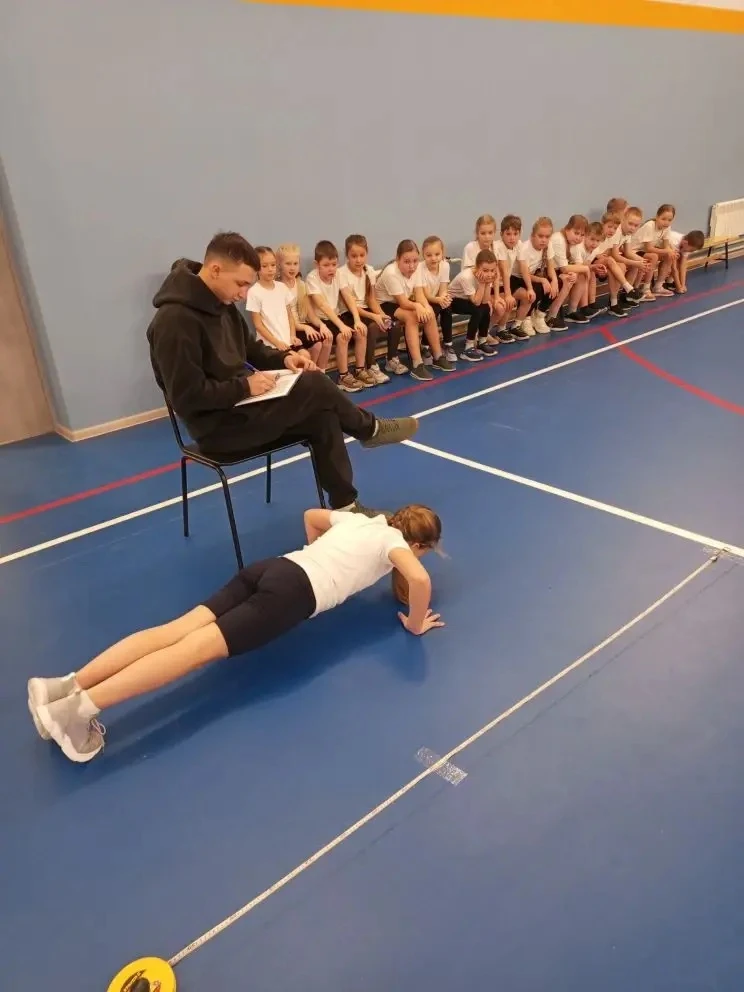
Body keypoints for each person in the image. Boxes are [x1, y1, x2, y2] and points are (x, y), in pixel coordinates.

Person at [27, 505, 445, 763]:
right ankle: (76, 711)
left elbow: (311, 516)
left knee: (175, 631)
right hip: (291, 595)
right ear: (419, 545)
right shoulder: (394, 545)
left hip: (273, 568)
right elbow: (419, 579)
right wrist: (414, 623)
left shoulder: (360, 521)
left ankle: (64, 686)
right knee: (190, 652)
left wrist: (318, 557)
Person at [146, 232, 418, 514]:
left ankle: (345, 508)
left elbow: (250, 349)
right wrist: (245, 388)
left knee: (323, 415)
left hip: (242, 408)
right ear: (215, 270)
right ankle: (369, 429)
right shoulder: (174, 322)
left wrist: (285, 357)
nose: (243, 294)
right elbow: (187, 398)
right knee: (314, 384)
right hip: (217, 429)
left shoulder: (221, 303)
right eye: (240, 284)